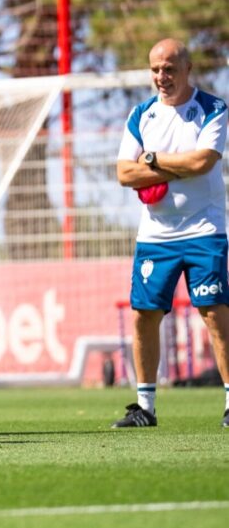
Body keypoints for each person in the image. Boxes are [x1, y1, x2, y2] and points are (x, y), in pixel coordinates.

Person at [114, 38, 229, 429]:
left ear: (188, 69)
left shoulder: (212, 109)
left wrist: (151, 160)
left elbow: (202, 161)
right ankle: (144, 407)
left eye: (169, 69)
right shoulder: (141, 115)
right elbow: (123, 173)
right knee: (144, 315)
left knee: (213, 313)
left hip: (205, 230)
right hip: (155, 235)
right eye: (155, 70)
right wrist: (168, 166)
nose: (162, 77)